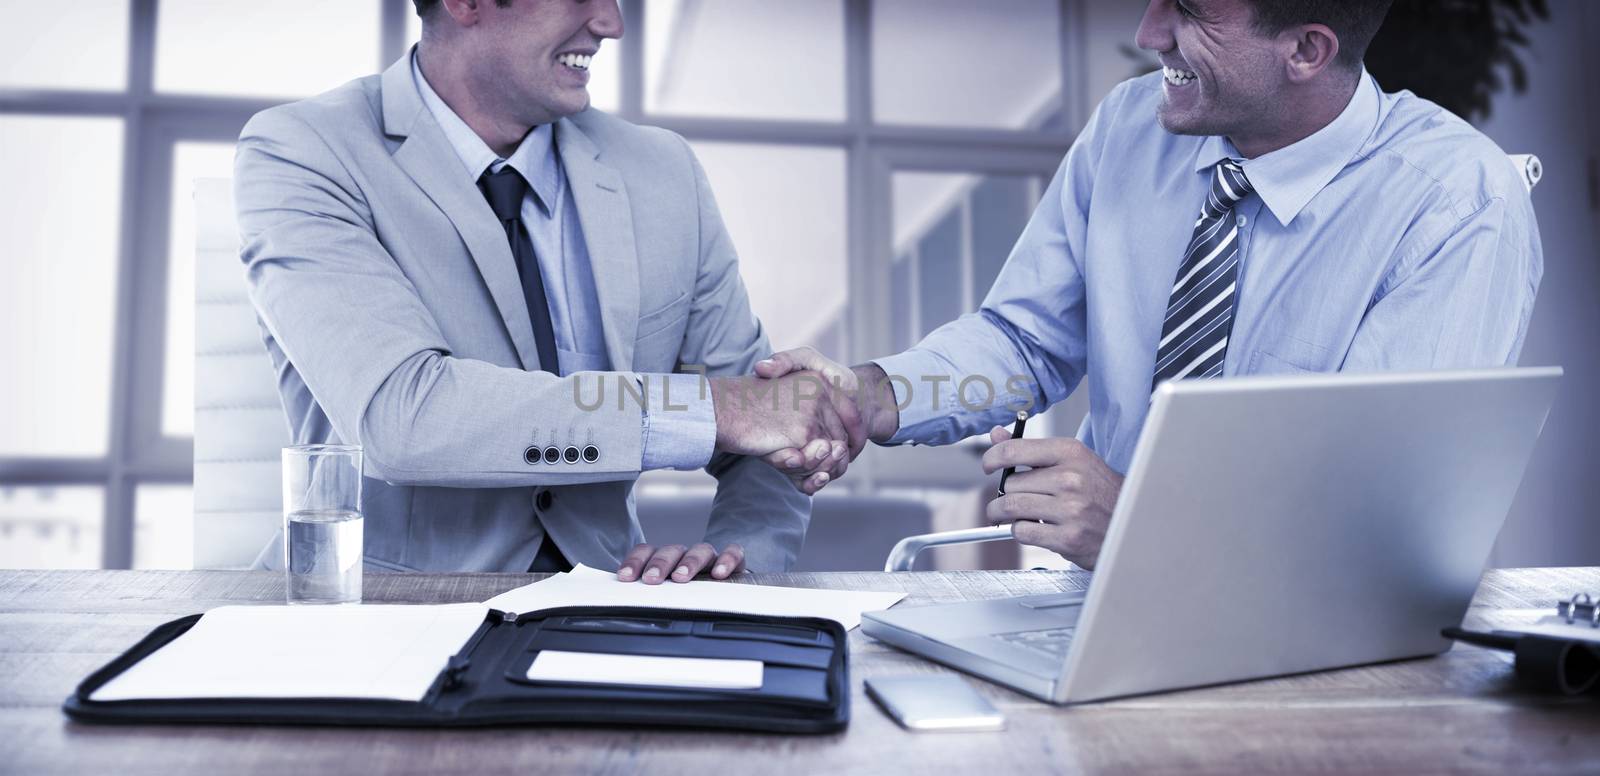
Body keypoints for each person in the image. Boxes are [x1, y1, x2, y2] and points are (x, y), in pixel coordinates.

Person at [758, 0, 1542, 569]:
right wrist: (871, 394)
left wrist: (1139, 528)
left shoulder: (1455, 202)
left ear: (1305, 48)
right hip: (1090, 613)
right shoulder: (1130, 128)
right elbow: (1026, 340)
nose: (1146, 32)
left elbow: (1376, 520)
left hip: (1310, 650)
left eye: (1191, 11)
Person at [233, 0, 852, 582]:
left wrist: (736, 557)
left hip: (604, 607)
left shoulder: (664, 173)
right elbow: (403, 419)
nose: (610, 21)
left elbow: (766, 419)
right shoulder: (305, 150)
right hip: (380, 617)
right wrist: (712, 410)